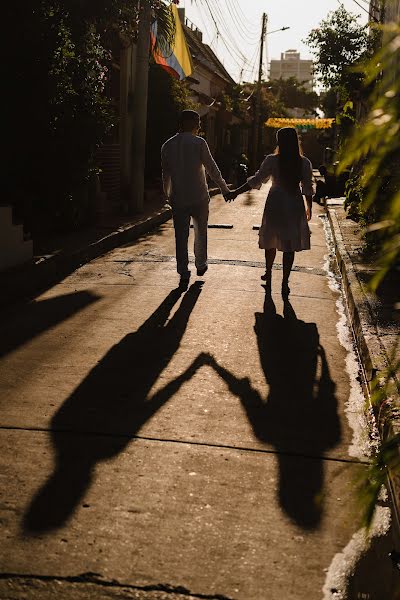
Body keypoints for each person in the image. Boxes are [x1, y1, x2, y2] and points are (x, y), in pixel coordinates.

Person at [225, 127, 314, 298]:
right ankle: (285, 281)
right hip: (294, 203)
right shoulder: (304, 162)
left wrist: (235, 192)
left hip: (276, 201)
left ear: (279, 141)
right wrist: (309, 207)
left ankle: (268, 271)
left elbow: (256, 180)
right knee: (289, 246)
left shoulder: (272, 160)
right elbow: (307, 187)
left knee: (271, 239)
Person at [161, 110, 230, 286]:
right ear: (188, 123)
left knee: (180, 236)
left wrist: (167, 195)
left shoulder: (167, 145)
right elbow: (212, 168)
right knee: (201, 232)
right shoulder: (199, 143)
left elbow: (166, 174)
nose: (199, 125)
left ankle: (183, 272)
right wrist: (224, 189)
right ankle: (200, 264)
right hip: (199, 196)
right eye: (197, 122)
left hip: (178, 198)